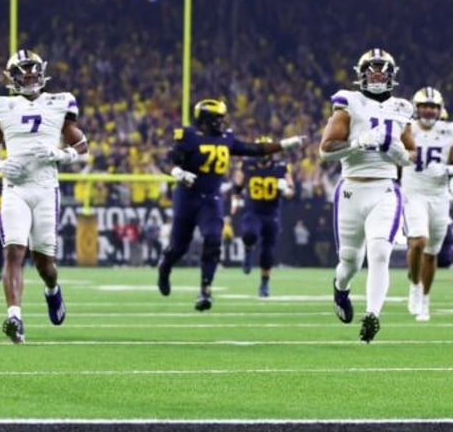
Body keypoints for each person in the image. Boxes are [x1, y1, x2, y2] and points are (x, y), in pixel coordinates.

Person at [0, 49, 88, 344]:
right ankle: (15, 317)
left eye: (33, 69)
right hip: (15, 188)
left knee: (45, 264)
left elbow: (82, 146)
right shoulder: (1, 105)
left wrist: (59, 154)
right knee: (14, 251)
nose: (30, 75)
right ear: (12, 77)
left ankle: (52, 290)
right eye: (24, 71)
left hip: (45, 189)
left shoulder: (59, 101)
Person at [157, 98, 305, 311]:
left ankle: (205, 290)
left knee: (213, 239)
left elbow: (254, 149)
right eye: (218, 118)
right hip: (187, 197)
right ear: (206, 119)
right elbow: (166, 161)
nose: (222, 121)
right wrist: (177, 172)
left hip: (211, 198)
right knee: (179, 247)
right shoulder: (189, 136)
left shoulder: (226, 138)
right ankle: (165, 266)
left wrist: (284, 144)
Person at [319, 48, 415, 343]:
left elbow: (412, 154)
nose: (376, 74)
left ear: (391, 75)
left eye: (382, 70)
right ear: (361, 74)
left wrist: (400, 153)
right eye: (371, 69)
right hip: (351, 188)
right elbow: (326, 150)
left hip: (384, 189)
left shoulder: (402, 107)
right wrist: (359, 143)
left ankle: (372, 315)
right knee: (349, 261)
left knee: (380, 252)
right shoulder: (348, 101)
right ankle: (341, 288)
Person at [400, 86, 453, 322]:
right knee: (419, 240)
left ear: (440, 109)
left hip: (440, 195)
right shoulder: (406, 128)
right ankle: (414, 284)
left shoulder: (448, 131)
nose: (429, 111)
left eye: (433, 107)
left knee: (432, 254)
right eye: (425, 106)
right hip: (414, 192)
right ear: (416, 108)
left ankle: (425, 297)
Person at [230, 136, 295, 297]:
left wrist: (286, 190)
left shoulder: (280, 167)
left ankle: (264, 284)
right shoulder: (246, 165)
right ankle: (248, 249)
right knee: (249, 234)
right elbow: (237, 185)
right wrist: (235, 197)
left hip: (271, 213)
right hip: (253, 211)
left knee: (268, 252)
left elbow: (291, 190)